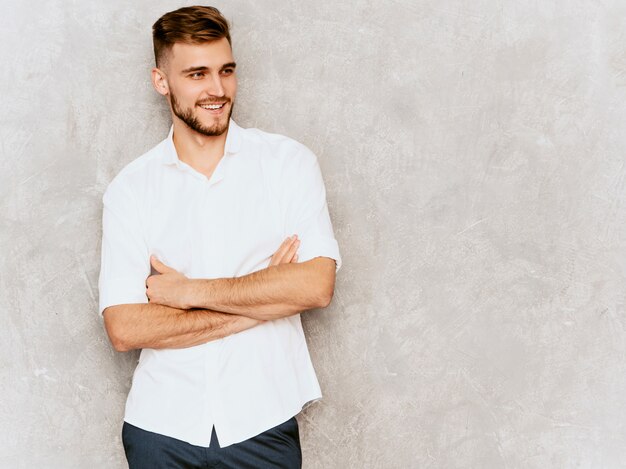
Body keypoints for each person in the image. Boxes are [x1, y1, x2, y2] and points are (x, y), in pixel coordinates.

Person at [97, 5, 342, 468]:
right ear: (161, 81)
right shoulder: (131, 189)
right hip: (160, 428)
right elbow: (125, 328)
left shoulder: (287, 165)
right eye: (197, 74)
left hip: (262, 423)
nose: (217, 89)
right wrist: (260, 302)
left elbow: (316, 286)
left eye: (226, 71)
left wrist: (187, 293)